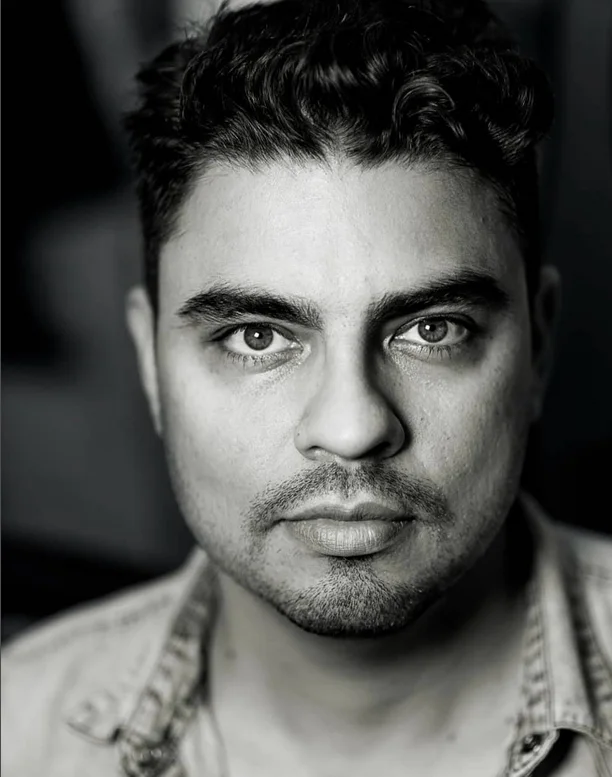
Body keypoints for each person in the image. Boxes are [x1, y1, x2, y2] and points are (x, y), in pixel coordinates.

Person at [3, 0, 611, 774]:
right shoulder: (19, 733)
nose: (352, 427)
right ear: (151, 363)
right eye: (257, 337)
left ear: (539, 345)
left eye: (433, 329)